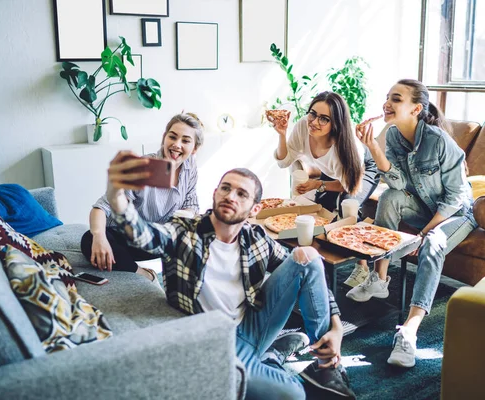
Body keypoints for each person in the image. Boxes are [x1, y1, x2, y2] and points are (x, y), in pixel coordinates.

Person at [104, 159, 356, 400]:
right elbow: (142, 234)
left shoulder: (255, 237)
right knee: (294, 394)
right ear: (215, 193)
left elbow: (307, 271)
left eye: (241, 194)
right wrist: (116, 194)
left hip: (251, 325)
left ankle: (327, 366)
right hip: (215, 341)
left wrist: (336, 328)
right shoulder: (184, 232)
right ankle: (270, 358)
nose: (230, 196)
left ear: (255, 209)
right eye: (226, 188)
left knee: (308, 256)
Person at [347, 79, 478, 368]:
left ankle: (409, 331)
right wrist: (372, 145)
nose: (387, 103)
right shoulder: (392, 136)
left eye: (396, 98)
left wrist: (424, 232)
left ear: (416, 108)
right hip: (424, 206)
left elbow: (456, 197)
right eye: (387, 97)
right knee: (390, 198)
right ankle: (379, 279)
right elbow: (399, 183)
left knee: (433, 243)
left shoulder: (438, 140)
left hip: (458, 213)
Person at [80, 112, 204, 286]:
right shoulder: (144, 167)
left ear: (194, 149)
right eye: (173, 137)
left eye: (185, 140)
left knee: (200, 235)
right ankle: (140, 272)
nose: (177, 145)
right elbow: (101, 208)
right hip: (127, 238)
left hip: (158, 238)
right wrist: (99, 237)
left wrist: (186, 217)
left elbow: (192, 204)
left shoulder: (190, 167)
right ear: (164, 138)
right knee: (88, 238)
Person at [271, 91, 379, 288]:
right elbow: (284, 161)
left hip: (361, 170)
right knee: (322, 212)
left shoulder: (348, 146)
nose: (314, 122)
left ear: (336, 124)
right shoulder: (304, 126)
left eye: (324, 119)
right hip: (334, 172)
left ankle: (363, 267)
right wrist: (282, 135)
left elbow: (350, 186)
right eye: (313, 113)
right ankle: (312, 263)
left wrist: (318, 184)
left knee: (347, 208)